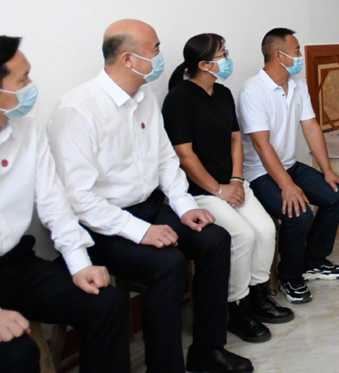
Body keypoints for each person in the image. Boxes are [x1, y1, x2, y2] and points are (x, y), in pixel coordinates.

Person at [47, 20, 252, 373]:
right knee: (168, 264)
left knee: (215, 239)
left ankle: (207, 349)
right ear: (128, 59)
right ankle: (165, 366)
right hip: (101, 223)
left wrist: (185, 207)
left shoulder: (144, 100)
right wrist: (141, 231)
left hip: (150, 207)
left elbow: (166, 161)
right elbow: (78, 198)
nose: (160, 57)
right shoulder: (78, 109)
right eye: (155, 49)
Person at [0, 36, 130, 373]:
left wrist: (79, 264)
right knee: (17, 355)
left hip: (16, 265)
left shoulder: (28, 131)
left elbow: (53, 203)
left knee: (107, 303)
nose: (31, 86)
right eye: (23, 79)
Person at [162, 34, 294, 344]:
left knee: (265, 230)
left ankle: (257, 294)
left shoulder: (222, 93)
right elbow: (185, 155)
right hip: (200, 192)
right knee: (242, 235)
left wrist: (235, 180)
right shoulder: (179, 99)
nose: (227, 59)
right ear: (203, 64)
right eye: (222, 55)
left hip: (233, 184)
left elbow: (236, 139)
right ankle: (236, 307)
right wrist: (218, 190)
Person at [237, 28, 339, 305]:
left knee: (337, 195)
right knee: (298, 213)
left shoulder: (297, 84)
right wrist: (287, 186)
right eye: (297, 50)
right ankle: (291, 276)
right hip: (258, 172)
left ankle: (313, 261)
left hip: (289, 165)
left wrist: (327, 170)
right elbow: (261, 145)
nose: (300, 55)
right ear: (279, 55)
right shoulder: (253, 90)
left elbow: (310, 127)